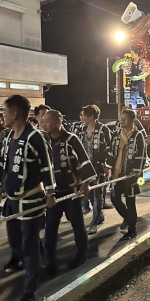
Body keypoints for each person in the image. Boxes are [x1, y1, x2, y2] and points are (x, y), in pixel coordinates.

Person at [0, 95, 56, 301]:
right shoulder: (7, 138)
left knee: (30, 244)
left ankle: (29, 292)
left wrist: (50, 193)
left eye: (5, 112)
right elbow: (3, 164)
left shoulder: (35, 137)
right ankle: (42, 263)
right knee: (17, 241)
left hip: (31, 200)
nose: (3, 116)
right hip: (12, 201)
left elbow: (46, 166)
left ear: (15, 114)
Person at [42, 110, 96, 274]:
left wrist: (86, 183)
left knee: (77, 224)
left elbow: (84, 159)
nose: (44, 124)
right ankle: (49, 260)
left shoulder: (71, 139)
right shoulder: (44, 141)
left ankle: (82, 253)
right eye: (43, 121)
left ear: (59, 121)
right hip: (54, 194)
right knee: (50, 227)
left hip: (72, 191)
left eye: (48, 121)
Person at [106, 108, 146, 240]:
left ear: (132, 120)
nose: (122, 121)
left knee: (130, 200)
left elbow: (141, 155)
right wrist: (110, 169)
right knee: (114, 197)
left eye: (125, 118)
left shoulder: (138, 135)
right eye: (121, 118)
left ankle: (132, 230)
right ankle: (128, 218)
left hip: (131, 174)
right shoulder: (117, 134)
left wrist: (136, 172)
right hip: (118, 173)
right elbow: (112, 152)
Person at [79, 104, 112, 234]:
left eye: (84, 115)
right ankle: (99, 216)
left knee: (98, 195)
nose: (82, 118)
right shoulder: (81, 130)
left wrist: (108, 166)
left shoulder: (103, 129)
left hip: (99, 167)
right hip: (86, 168)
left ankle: (94, 222)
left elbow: (109, 148)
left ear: (91, 116)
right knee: (88, 193)